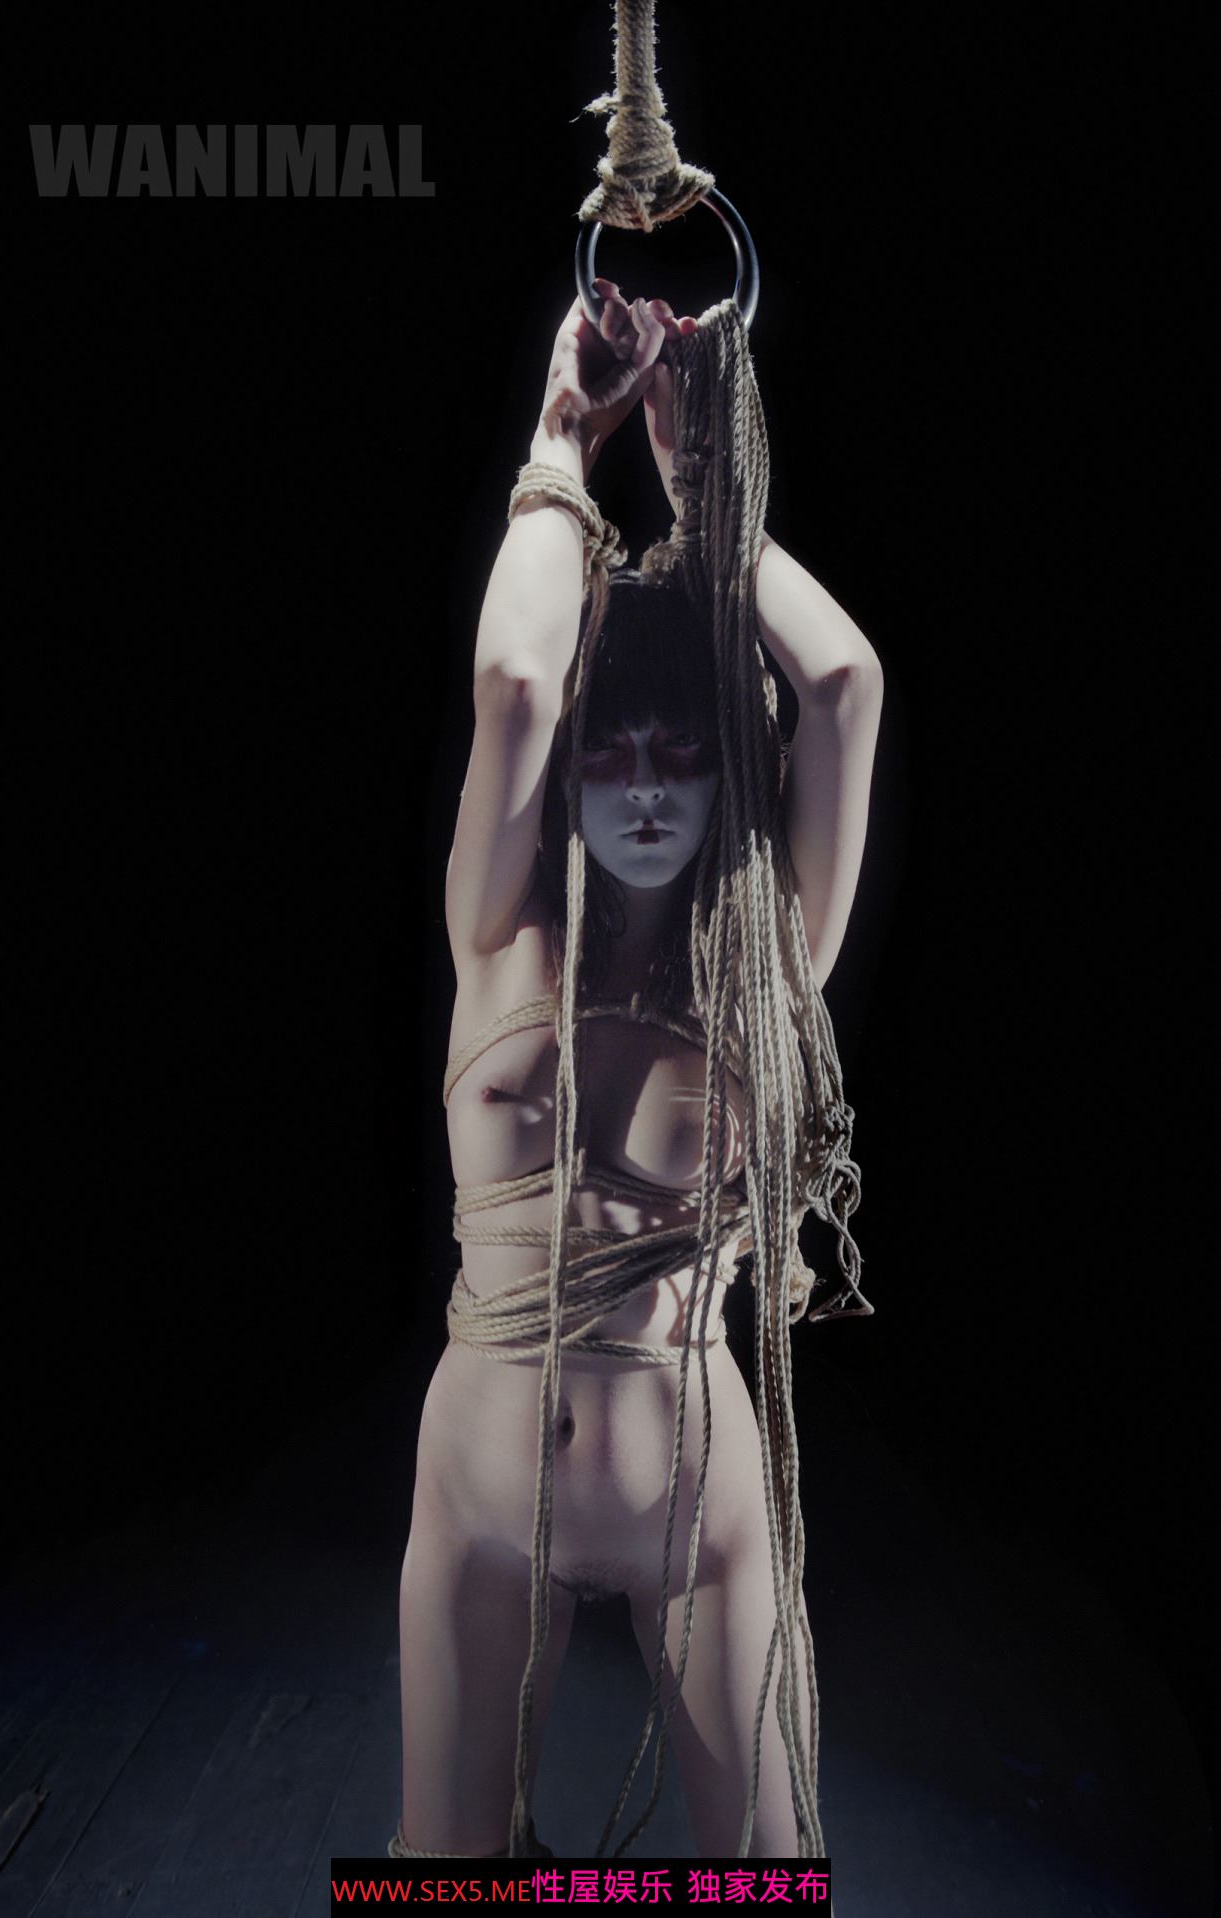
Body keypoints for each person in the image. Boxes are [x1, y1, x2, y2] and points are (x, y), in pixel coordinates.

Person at [393, 280, 884, 1859]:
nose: (649, 784)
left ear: (725, 768)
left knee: (769, 1882)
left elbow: (843, 686)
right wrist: (562, 439)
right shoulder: (497, 938)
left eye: (682, 748)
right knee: (441, 1880)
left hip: (696, 1497)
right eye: (615, 750)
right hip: (485, 1503)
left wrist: (702, 494)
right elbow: (519, 685)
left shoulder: (765, 966)